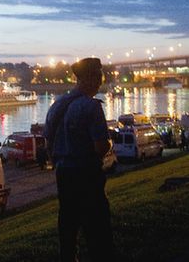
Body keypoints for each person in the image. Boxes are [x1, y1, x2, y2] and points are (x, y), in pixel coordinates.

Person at [44, 57, 115, 262]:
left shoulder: (57, 105)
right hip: (87, 174)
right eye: (99, 76)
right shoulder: (91, 107)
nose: (101, 81)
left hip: (64, 175)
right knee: (98, 231)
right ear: (92, 78)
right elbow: (100, 147)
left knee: (68, 227)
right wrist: (109, 145)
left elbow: (48, 142)